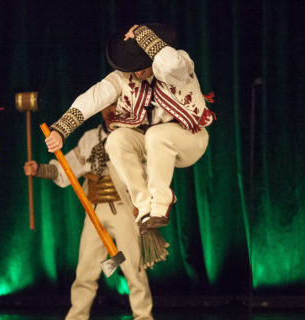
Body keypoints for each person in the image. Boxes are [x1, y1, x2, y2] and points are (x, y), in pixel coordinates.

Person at [44, 23, 215, 259]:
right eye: (131, 66)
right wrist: (62, 129)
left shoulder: (177, 64)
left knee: (157, 134)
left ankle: (161, 201)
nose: (136, 72)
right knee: (117, 139)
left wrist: (143, 34)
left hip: (189, 139)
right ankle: (145, 209)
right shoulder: (124, 77)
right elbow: (94, 97)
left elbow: (169, 63)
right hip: (152, 148)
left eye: (140, 65)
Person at [25, 105, 156, 320]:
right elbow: (67, 170)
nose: (111, 113)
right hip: (95, 211)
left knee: (133, 269)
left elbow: (146, 173)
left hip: (124, 211)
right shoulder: (89, 139)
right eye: (108, 109)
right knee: (85, 271)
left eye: (117, 108)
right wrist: (40, 170)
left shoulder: (134, 138)